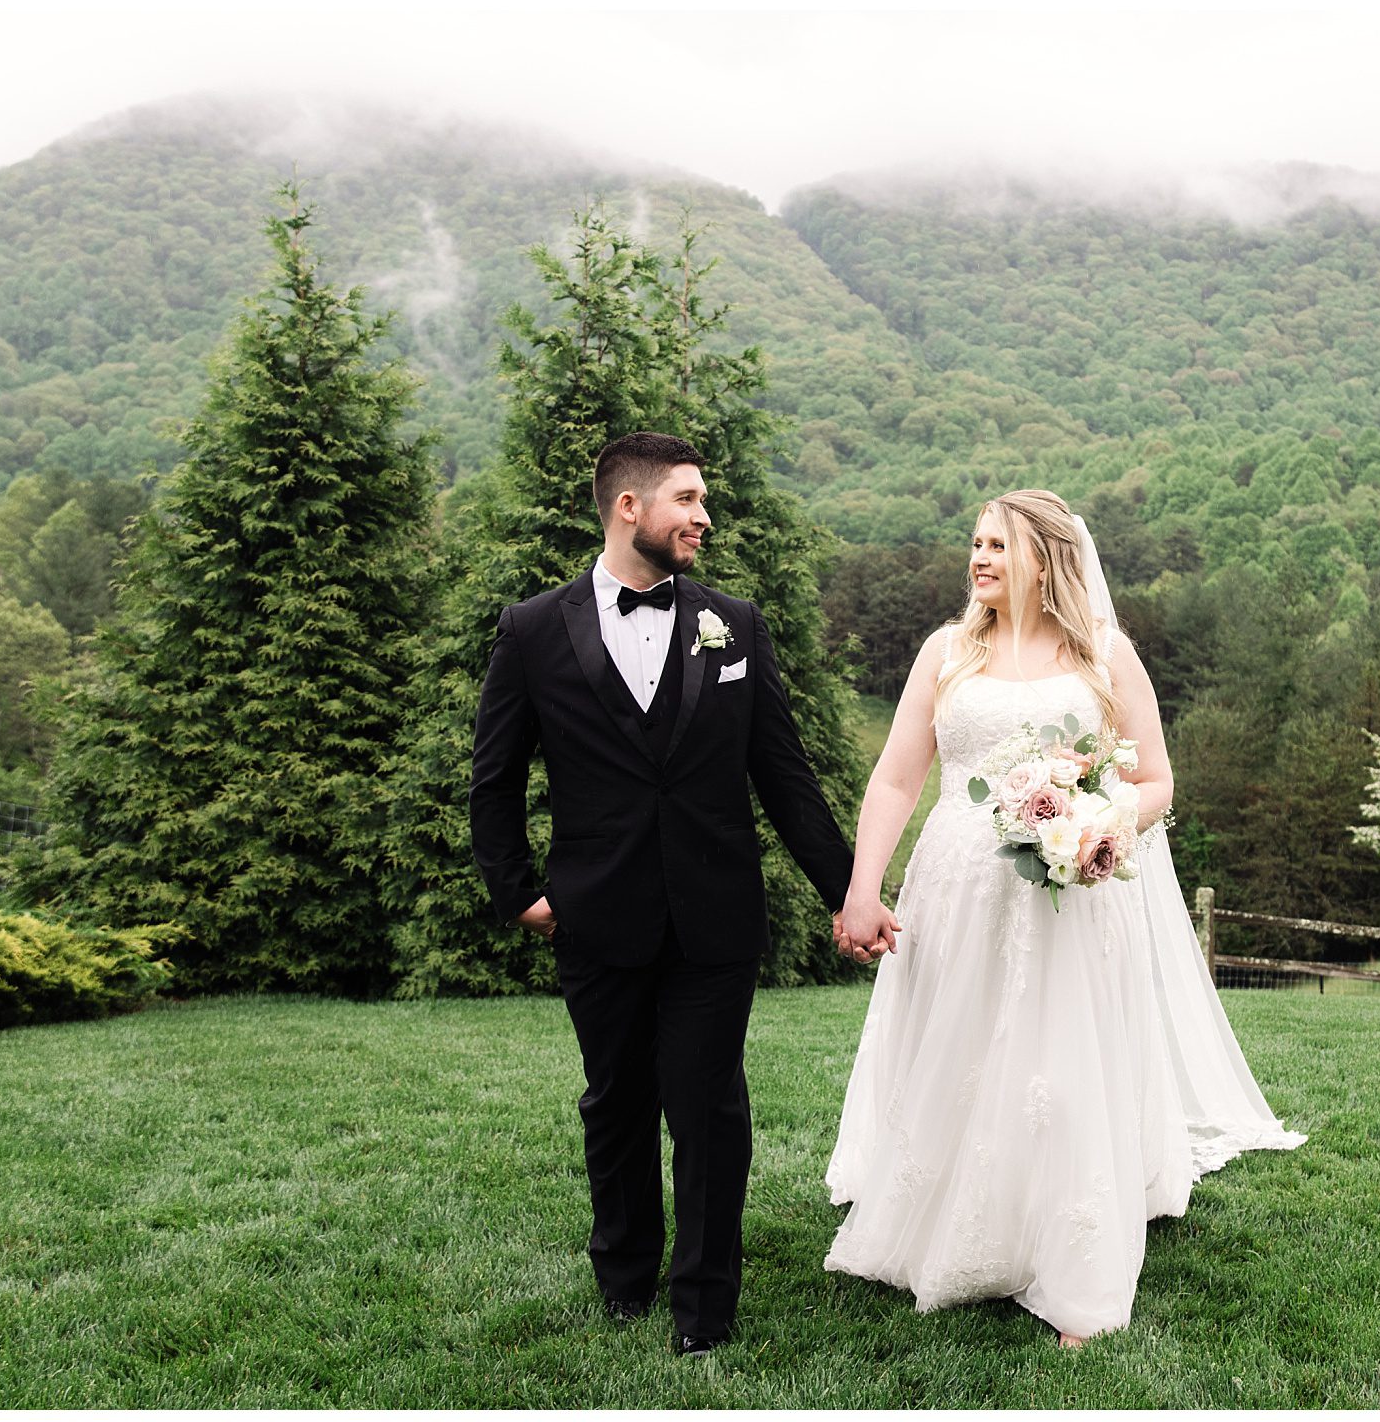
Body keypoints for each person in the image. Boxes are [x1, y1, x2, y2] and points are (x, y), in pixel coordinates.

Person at [824, 489, 1305, 1347]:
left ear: (1044, 559)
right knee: (957, 1045)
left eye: (997, 546)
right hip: (956, 888)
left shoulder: (1104, 656)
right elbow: (897, 780)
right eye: (974, 544)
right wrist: (864, 886)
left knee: (1060, 1061)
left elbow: (1156, 779)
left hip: (1069, 892)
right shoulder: (945, 653)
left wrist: (1098, 826)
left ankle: (1071, 1264)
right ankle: (952, 1221)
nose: (978, 559)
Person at [469, 431, 887, 1356]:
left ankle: (706, 1308)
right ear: (630, 508)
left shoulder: (733, 621)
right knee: (613, 1100)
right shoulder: (534, 629)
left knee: (708, 1107)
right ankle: (623, 1276)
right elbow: (493, 780)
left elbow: (784, 776)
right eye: (688, 500)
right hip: (595, 912)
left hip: (714, 915)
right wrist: (519, 894)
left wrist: (851, 890)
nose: (704, 517)